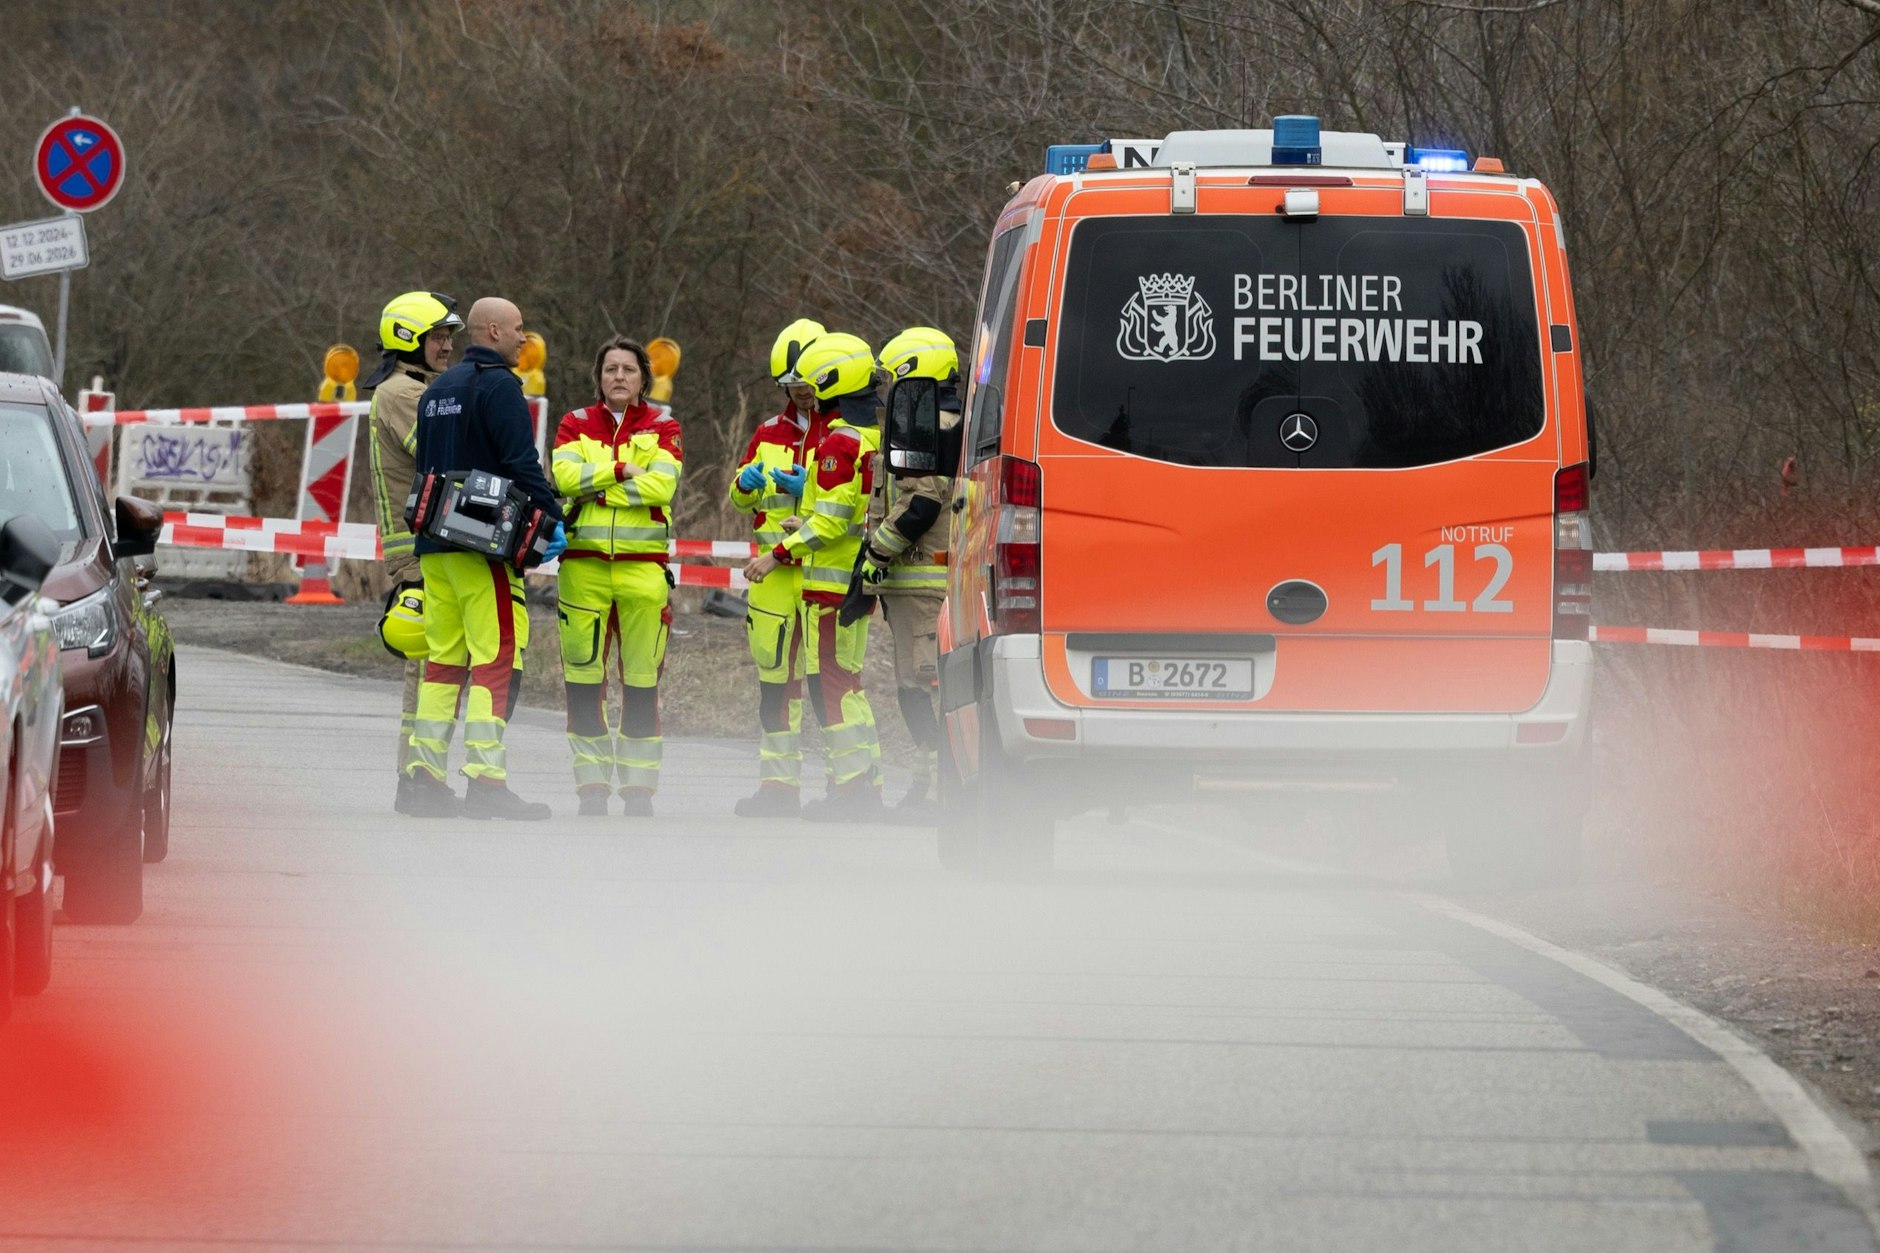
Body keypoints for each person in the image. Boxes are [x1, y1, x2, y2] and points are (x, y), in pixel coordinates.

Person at [405, 297, 566, 820]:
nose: (525, 338)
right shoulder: (498, 387)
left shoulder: (439, 389)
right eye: (519, 329)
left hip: (434, 545)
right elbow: (521, 461)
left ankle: (423, 778)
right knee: (496, 658)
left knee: (444, 662)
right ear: (494, 330)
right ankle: (486, 780)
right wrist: (551, 515)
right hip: (482, 547)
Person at [744, 331, 883, 821]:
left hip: (829, 585)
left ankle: (851, 789)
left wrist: (778, 553)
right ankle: (866, 782)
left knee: (831, 689)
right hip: (854, 580)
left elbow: (830, 521)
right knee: (849, 684)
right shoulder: (870, 434)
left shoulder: (840, 440)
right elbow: (849, 512)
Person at [551, 335, 685, 817]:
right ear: (599, 376)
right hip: (583, 570)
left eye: (629, 369)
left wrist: (600, 486)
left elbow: (663, 485)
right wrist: (626, 469)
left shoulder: (663, 424)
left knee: (642, 683)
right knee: (584, 682)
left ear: (643, 378)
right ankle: (590, 785)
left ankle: (638, 789)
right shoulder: (574, 423)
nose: (620, 377)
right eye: (611, 369)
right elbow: (564, 479)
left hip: (643, 574)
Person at [363, 291, 463, 815]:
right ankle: (418, 779)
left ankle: (421, 776)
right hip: (419, 554)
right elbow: (444, 450)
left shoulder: (418, 388)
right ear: (409, 339)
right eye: (439, 336)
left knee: (433, 668)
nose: (447, 345)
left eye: (448, 336)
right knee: (428, 670)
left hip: (428, 547)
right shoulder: (404, 393)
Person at [729, 318, 829, 818]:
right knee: (774, 680)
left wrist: (805, 489)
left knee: (826, 680)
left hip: (819, 572)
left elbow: (849, 498)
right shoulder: (768, 431)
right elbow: (739, 495)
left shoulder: (843, 432)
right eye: (791, 386)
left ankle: (842, 786)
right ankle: (777, 784)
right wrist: (745, 485)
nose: (800, 393)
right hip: (771, 576)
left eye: (806, 384)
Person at [861, 327, 961, 814]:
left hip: (923, 585)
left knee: (922, 690)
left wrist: (874, 557)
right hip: (925, 586)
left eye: (889, 378)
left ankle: (938, 789)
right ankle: (928, 785)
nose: (883, 389)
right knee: (923, 689)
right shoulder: (951, 422)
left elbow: (920, 502)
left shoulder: (926, 426)